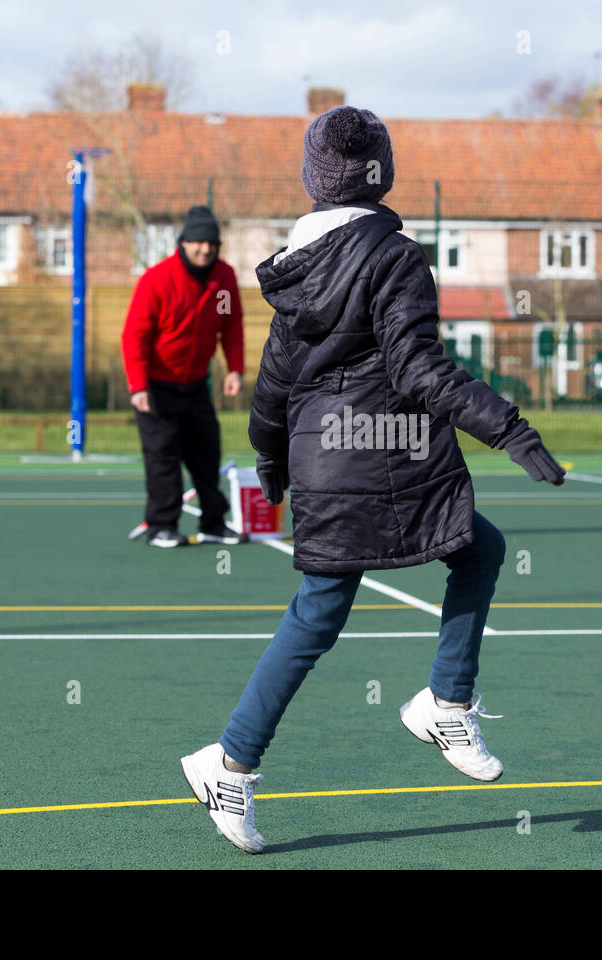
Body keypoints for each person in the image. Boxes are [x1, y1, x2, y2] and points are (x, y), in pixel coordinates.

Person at [179, 106, 565, 853]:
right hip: (387, 455)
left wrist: (271, 462)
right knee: (464, 557)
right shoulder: (394, 257)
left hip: (333, 457)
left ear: (314, 179)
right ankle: (241, 757)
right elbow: (420, 370)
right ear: (382, 171)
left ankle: (244, 759)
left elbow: (274, 384)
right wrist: (509, 428)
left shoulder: (298, 266)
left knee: (345, 604)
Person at [120, 205, 245, 547]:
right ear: (184, 242)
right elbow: (135, 336)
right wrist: (138, 386)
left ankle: (214, 523)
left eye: (212, 243)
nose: (206, 249)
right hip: (157, 387)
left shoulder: (223, 279)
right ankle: (161, 525)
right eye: (199, 242)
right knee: (163, 457)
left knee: (207, 453)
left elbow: (230, 327)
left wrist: (234, 368)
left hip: (195, 385)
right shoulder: (157, 279)